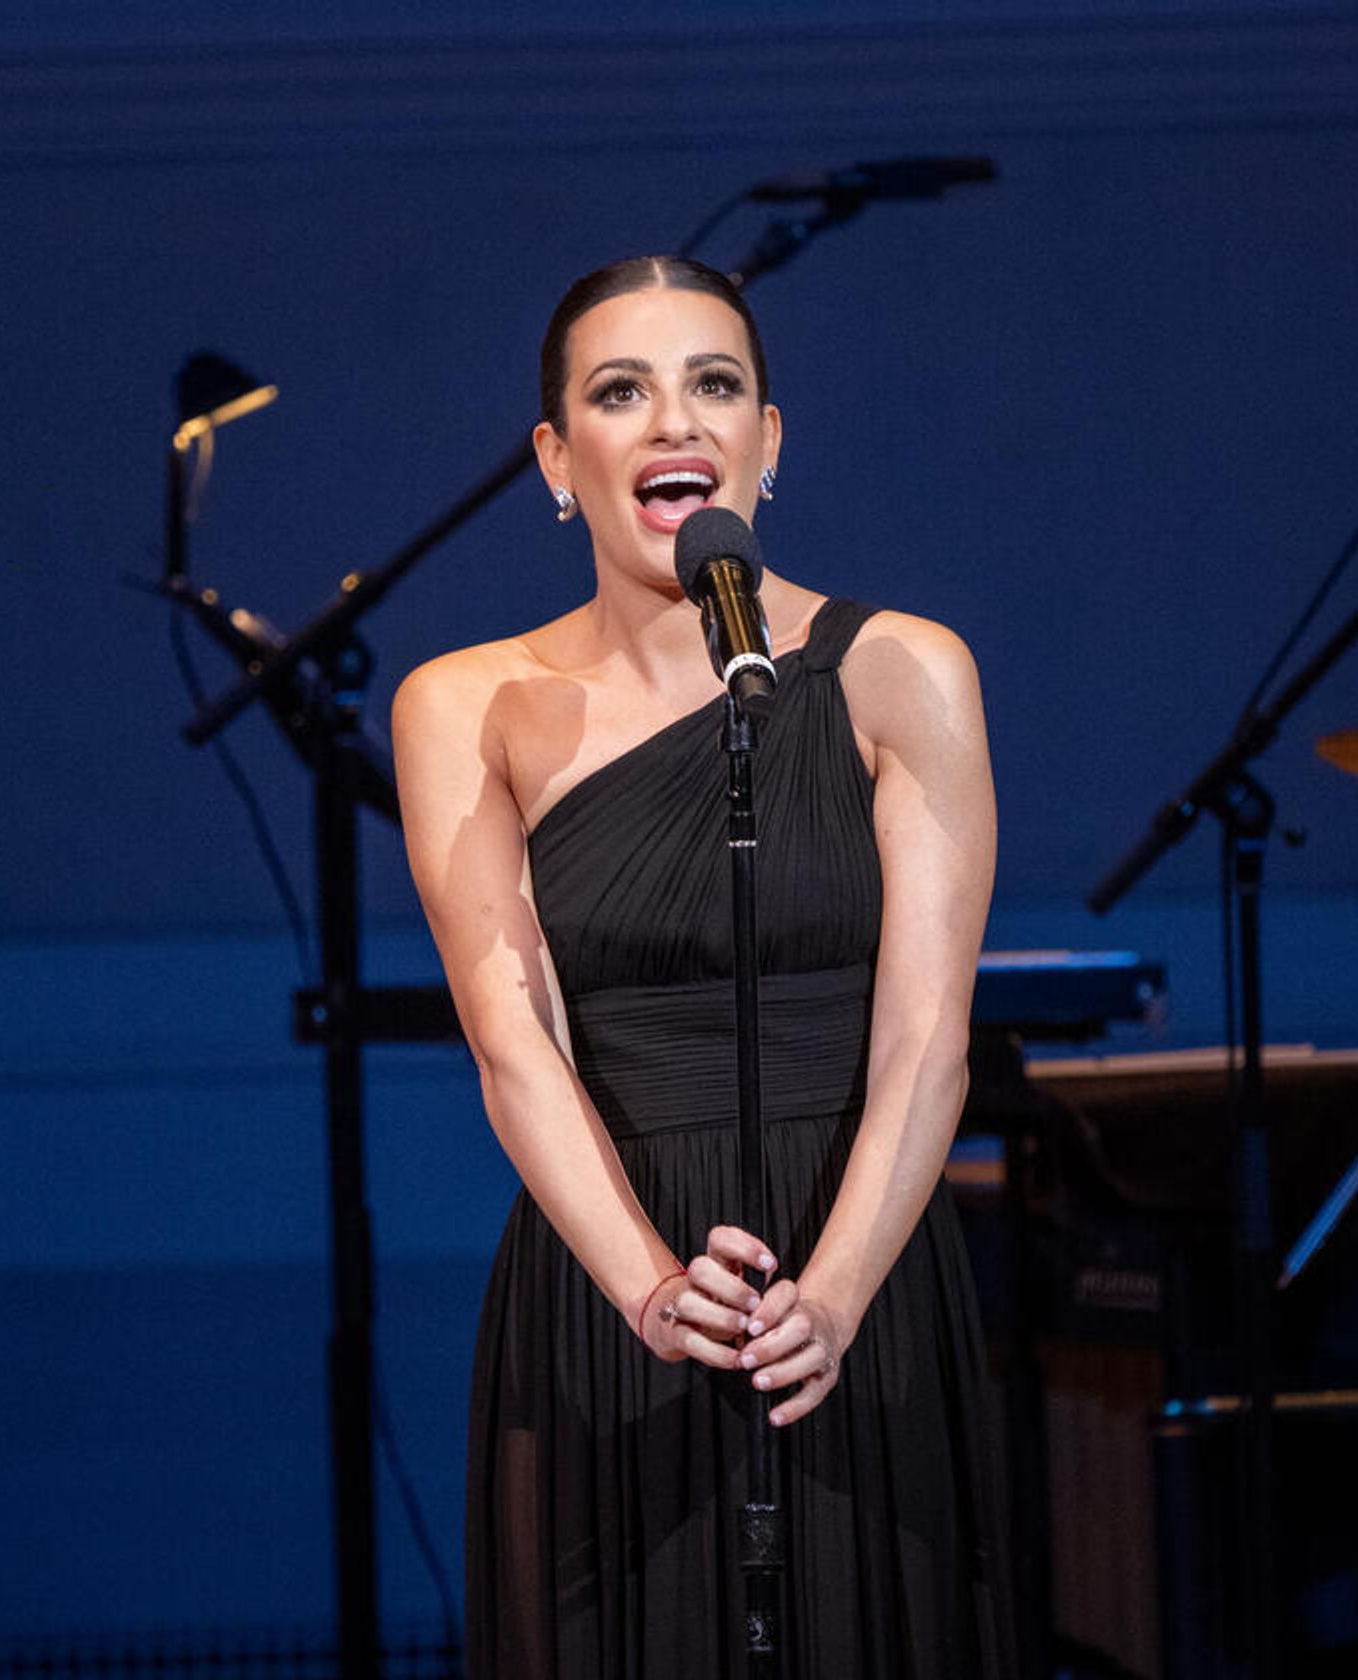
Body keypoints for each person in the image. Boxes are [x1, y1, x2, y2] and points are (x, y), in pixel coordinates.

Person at [393, 255, 1010, 1679]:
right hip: (611, 1292)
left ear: (768, 440)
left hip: (854, 1273)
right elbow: (512, 1034)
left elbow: (928, 1037)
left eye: (713, 383)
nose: (675, 420)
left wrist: (840, 1294)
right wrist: (647, 1288)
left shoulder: (903, 668)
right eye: (622, 391)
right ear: (558, 460)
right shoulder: (467, 702)